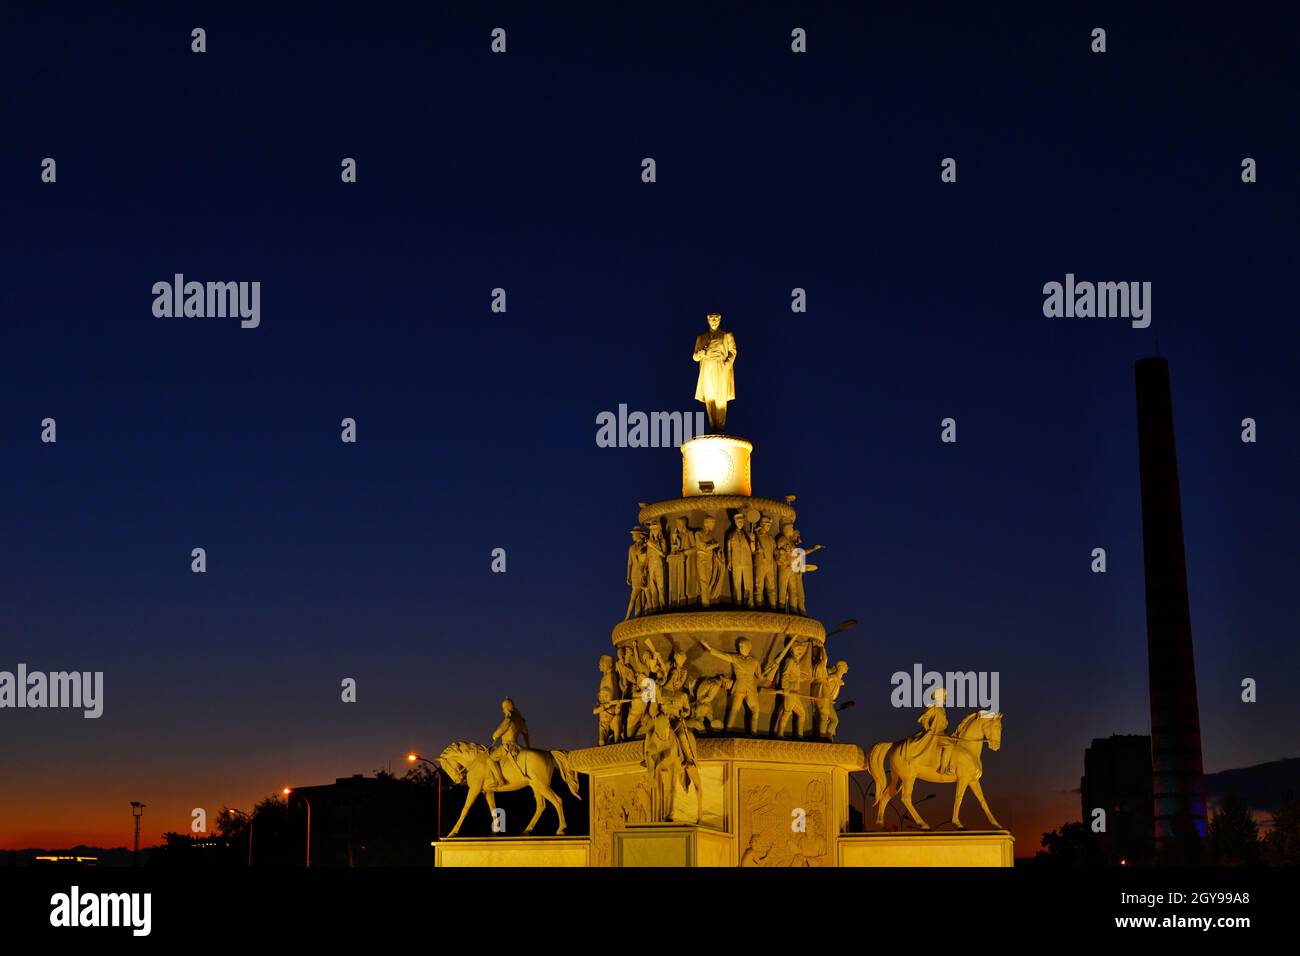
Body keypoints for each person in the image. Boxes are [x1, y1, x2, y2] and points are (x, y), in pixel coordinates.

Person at [692, 311, 736, 432]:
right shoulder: (701, 338)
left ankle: (720, 427)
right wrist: (701, 353)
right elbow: (695, 357)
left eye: (716, 318)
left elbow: (733, 351)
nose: (714, 321)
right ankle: (713, 426)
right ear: (708, 320)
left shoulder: (726, 335)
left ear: (720, 320)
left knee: (720, 397)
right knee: (710, 397)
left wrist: (726, 365)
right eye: (712, 318)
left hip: (720, 366)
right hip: (706, 367)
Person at [903, 686, 953, 774]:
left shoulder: (942, 709)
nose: (945, 698)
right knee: (949, 745)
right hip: (935, 734)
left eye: (945, 696)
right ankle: (943, 769)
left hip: (942, 733)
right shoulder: (933, 707)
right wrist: (928, 728)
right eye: (944, 696)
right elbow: (922, 718)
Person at [487, 698, 530, 790]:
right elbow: (526, 735)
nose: (503, 711)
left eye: (503, 709)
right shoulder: (521, 720)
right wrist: (529, 747)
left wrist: (494, 736)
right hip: (518, 746)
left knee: (490, 760)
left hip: (507, 746)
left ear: (506, 708)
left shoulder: (508, 719)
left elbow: (499, 732)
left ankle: (500, 780)